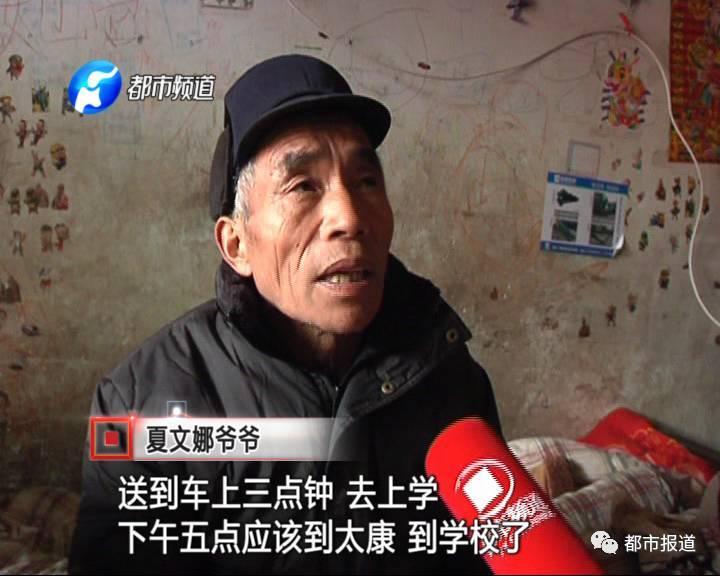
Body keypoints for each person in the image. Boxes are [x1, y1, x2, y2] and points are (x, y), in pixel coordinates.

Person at [69, 54, 502, 575]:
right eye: (303, 187)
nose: (349, 217)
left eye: (367, 180)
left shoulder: (450, 379)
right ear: (237, 244)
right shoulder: (141, 402)